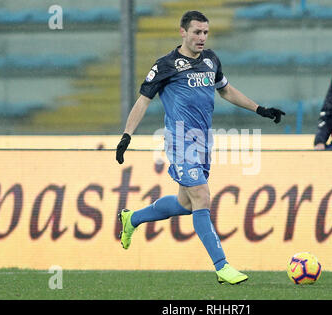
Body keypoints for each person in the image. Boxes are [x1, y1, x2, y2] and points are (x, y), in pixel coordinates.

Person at [115, 10, 285, 285]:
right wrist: (126, 135)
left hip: (204, 143)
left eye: (205, 32)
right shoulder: (165, 66)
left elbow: (226, 90)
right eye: (197, 32)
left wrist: (260, 109)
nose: (202, 38)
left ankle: (132, 218)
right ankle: (222, 266)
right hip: (179, 142)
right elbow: (143, 101)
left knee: (185, 203)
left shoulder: (211, 60)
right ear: (182, 32)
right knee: (202, 197)